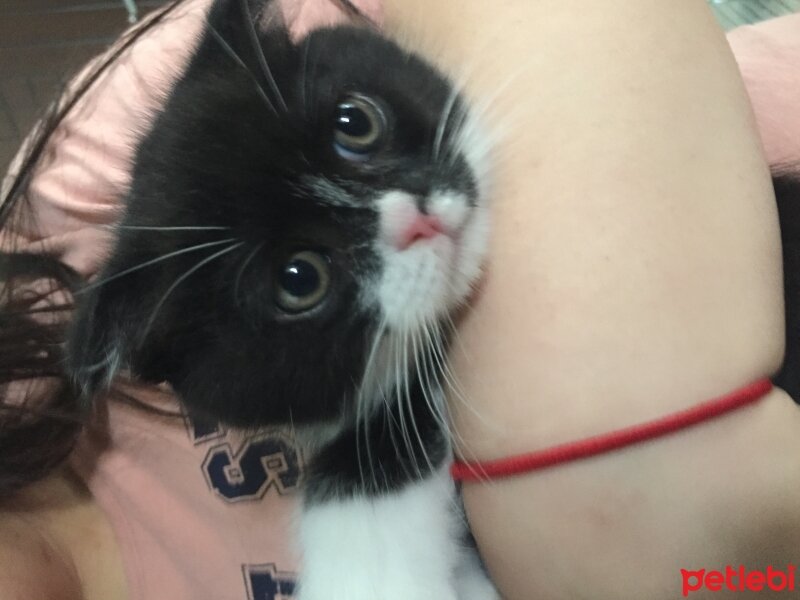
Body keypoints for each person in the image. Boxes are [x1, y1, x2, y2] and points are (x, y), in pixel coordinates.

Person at [1, 1, 798, 599]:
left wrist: (576, 492)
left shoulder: (67, 204)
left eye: (356, 126)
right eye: (299, 280)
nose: (410, 223)